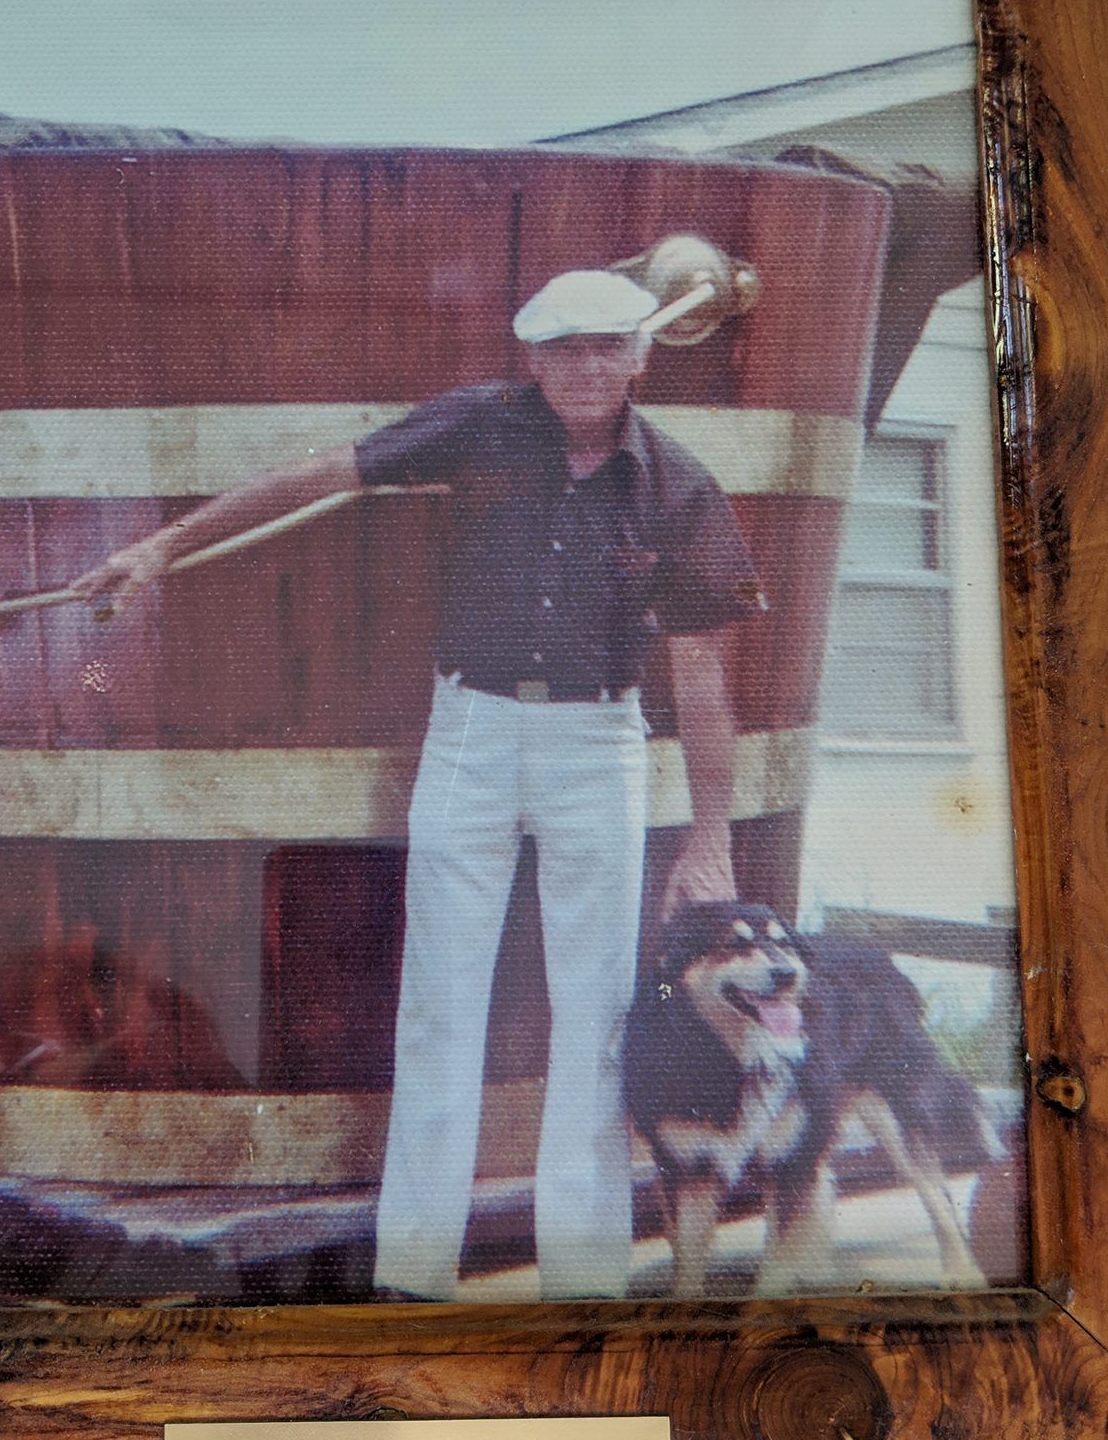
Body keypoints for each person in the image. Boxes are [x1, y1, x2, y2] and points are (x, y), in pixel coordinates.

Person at [73, 265, 765, 1301]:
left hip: (598, 746)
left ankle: (582, 1283)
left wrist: (710, 836)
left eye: (606, 346)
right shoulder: (478, 424)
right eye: (564, 348)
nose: (586, 366)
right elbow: (322, 476)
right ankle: (413, 1275)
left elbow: (704, 686)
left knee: (599, 1013)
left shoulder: (678, 486)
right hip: (470, 733)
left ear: (641, 357)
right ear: (532, 358)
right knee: (441, 1000)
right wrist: (164, 545)